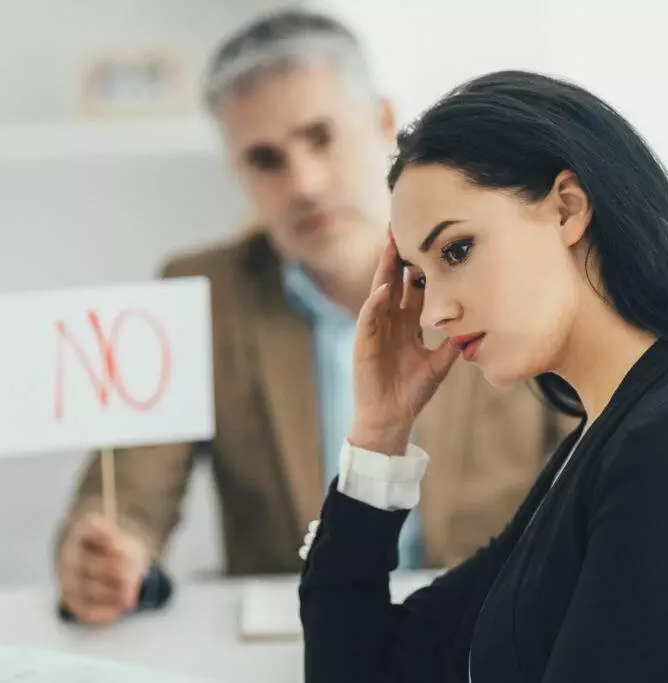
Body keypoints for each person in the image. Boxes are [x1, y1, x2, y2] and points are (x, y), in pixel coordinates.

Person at [299, 70, 668, 682]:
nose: (434, 312)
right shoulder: (604, 435)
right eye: (418, 277)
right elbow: (370, 668)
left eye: (456, 251)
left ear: (568, 208)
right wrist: (379, 432)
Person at [53, 11, 570, 625]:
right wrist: (110, 555)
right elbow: (127, 495)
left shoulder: (501, 261)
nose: (303, 182)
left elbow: (594, 466)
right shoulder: (205, 294)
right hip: (297, 645)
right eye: (266, 160)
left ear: (384, 123)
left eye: (321, 137)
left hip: (488, 630)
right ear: (236, 171)